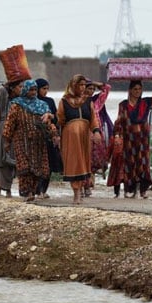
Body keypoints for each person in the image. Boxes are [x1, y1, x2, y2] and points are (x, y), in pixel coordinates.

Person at [114, 73, 152, 199]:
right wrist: (117, 135)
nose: (137, 92)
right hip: (129, 140)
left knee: (143, 164)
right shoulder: (123, 105)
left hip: (143, 140)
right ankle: (131, 189)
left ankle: (143, 190)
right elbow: (119, 121)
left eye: (139, 89)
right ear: (130, 90)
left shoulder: (146, 103)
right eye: (135, 89)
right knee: (130, 164)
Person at [2, 80, 57, 202]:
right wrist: (7, 140)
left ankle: (33, 190)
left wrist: (54, 134)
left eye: (35, 90)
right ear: (25, 90)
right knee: (24, 167)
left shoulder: (42, 106)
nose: (33, 92)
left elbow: (49, 123)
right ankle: (27, 192)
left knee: (37, 168)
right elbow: (10, 124)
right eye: (31, 90)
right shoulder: (16, 105)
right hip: (21, 140)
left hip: (38, 142)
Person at [57, 74, 102, 205]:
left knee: (83, 162)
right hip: (70, 137)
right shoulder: (64, 101)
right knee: (73, 163)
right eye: (80, 85)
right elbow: (60, 119)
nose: (82, 88)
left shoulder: (88, 101)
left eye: (84, 85)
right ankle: (76, 192)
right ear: (73, 85)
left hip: (84, 136)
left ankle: (81, 189)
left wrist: (96, 131)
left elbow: (93, 119)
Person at [0, 80, 24, 197]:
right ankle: (7, 189)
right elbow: (1, 90)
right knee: (5, 159)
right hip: (5, 128)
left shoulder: (21, 100)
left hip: (18, 129)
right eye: (19, 86)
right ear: (12, 88)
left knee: (19, 158)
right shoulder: (4, 97)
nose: (21, 89)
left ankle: (25, 189)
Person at [83, 80, 113, 197]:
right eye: (88, 88)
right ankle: (85, 186)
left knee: (95, 160)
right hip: (82, 132)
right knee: (84, 159)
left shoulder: (97, 101)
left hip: (96, 132)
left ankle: (89, 183)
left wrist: (93, 82)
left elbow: (107, 88)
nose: (90, 91)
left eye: (92, 89)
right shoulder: (78, 100)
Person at [35, 78, 63, 199]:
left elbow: (57, 119)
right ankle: (36, 190)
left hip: (48, 136)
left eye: (47, 89)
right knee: (37, 164)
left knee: (49, 164)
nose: (45, 91)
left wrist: (51, 116)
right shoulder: (31, 102)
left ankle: (44, 190)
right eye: (43, 89)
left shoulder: (49, 101)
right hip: (36, 136)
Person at [106, 133, 125, 198]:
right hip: (116, 161)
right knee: (116, 177)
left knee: (125, 176)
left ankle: (126, 192)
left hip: (125, 160)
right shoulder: (114, 138)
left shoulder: (128, 136)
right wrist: (107, 159)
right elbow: (110, 148)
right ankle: (117, 193)